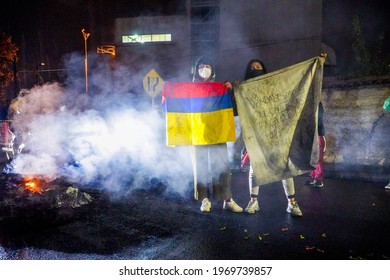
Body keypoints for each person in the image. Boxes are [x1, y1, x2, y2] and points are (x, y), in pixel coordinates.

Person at [239, 58, 303, 216]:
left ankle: (292, 203)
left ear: (264, 69)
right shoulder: (243, 89)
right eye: (252, 67)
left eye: (259, 66)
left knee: (284, 167)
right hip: (256, 135)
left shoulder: (272, 86)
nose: (256, 68)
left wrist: (319, 61)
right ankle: (254, 201)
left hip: (275, 133)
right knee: (255, 167)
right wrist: (235, 89)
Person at [190, 56, 243, 213]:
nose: (204, 69)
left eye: (207, 66)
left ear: (213, 70)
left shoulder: (219, 88)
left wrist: (232, 91)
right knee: (200, 166)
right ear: (196, 70)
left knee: (222, 164)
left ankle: (227, 198)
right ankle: (204, 199)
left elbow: (231, 108)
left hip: (217, 130)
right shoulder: (189, 89)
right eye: (201, 66)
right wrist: (170, 90)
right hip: (197, 131)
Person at [305, 101, 326, 188]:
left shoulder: (318, 106)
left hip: (318, 136)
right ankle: (313, 177)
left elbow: (319, 121)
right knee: (312, 158)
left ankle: (319, 179)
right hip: (312, 136)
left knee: (318, 159)